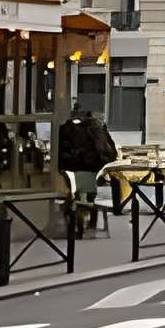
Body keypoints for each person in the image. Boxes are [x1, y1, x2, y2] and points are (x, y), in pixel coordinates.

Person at [56, 99, 116, 233]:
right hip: (93, 166)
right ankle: (91, 219)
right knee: (89, 192)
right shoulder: (96, 127)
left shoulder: (67, 128)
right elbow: (110, 151)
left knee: (76, 191)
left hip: (73, 165)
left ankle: (77, 213)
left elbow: (59, 151)